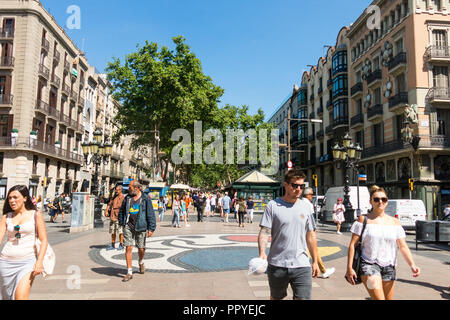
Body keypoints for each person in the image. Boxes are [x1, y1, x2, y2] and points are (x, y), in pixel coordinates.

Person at [345, 185, 420, 300]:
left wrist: (412, 264)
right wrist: (349, 268)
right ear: (371, 201)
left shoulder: (394, 222)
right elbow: (352, 245)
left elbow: (403, 246)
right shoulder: (363, 220)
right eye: (376, 199)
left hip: (389, 267)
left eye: (383, 199)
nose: (380, 202)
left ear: (387, 201)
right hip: (368, 265)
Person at [258, 170, 320, 300]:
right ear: (286, 185)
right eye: (294, 185)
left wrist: (315, 261)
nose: (298, 189)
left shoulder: (306, 206)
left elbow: (311, 235)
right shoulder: (273, 206)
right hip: (277, 264)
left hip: (302, 264)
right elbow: (264, 231)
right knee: (276, 298)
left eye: (301, 186)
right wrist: (262, 252)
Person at [0, 185, 48, 300]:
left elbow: (44, 240)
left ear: (25, 198)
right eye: (10, 198)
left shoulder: (35, 215)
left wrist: (39, 262)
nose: (12, 200)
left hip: (27, 262)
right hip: (6, 262)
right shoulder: (6, 217)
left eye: (15, 197)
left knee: (20, 297)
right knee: (6, 297)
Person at [118, 180, 156, 282]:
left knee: (141, 248)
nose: (128, 190)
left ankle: (140, 262)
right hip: (128, 226)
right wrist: (122, 222)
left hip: (141, 226)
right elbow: (122, 211)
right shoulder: (127, 198)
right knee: (128, 248)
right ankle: (129, 272)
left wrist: (151, 228)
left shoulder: (145, 198)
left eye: (130, 188)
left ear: (136, 188)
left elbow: (150, 214)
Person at [302, 187, 336, 279]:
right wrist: (314, 229)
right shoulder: (308, 204)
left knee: (312, 250)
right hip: (308, 231)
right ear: (308, 195)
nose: (312, 197)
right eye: (312, 195)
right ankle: (323, 271)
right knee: (314, 250)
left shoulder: (300, 202)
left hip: (302, 231)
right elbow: (311, 217)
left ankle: (323, 270)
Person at [105, 185, 125, 251]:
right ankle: (113, 244)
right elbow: (109, 204)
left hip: (119, 216)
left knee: (120, 231)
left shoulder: (123, 197)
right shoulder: (114, 197)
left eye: (117, 190)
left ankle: (121, 244)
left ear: (121, 190)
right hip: (112, 216)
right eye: (116, 190)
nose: (116, 191)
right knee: (112, 231)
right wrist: (106, 210)